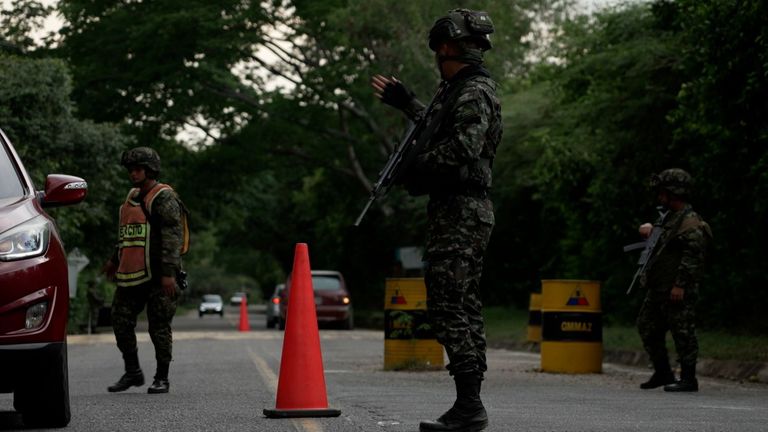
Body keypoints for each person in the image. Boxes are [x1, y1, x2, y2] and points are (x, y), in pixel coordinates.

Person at [372, 9, 501, 431]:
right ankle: (469, 401)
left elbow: (461, 147)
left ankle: (469, 405)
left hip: (463, 211)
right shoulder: (458, 89)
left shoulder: (474, 91)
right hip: (455, 210)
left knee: (449, 305)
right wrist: (406, 103)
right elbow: (439, 127)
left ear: (445, 47)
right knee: (461, 303)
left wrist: (414, 168)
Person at [102, 147, 184, 394]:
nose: (133, 173)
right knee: (120, 320)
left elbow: (173, 237)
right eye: (130, 169)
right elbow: (127, 234)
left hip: (161, 276)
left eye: (138, 169)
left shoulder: (164, 198)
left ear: (150, 170)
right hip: (133, 274)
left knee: (158, 326)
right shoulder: (132, 198)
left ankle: (162, 377)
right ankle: (133, 372)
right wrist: (114, 260)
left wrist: (169, 274)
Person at [635, 168, 711, 392]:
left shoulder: (690, 222)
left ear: (673, 193)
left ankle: (688, 378)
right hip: (658, 287)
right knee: (647, 327)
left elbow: (693, 257)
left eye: (663, 193)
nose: (660, 197)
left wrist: (680, 285)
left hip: (676, 288)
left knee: (683, 332)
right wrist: (649, 229)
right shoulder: (668, 218)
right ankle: (663, 372)